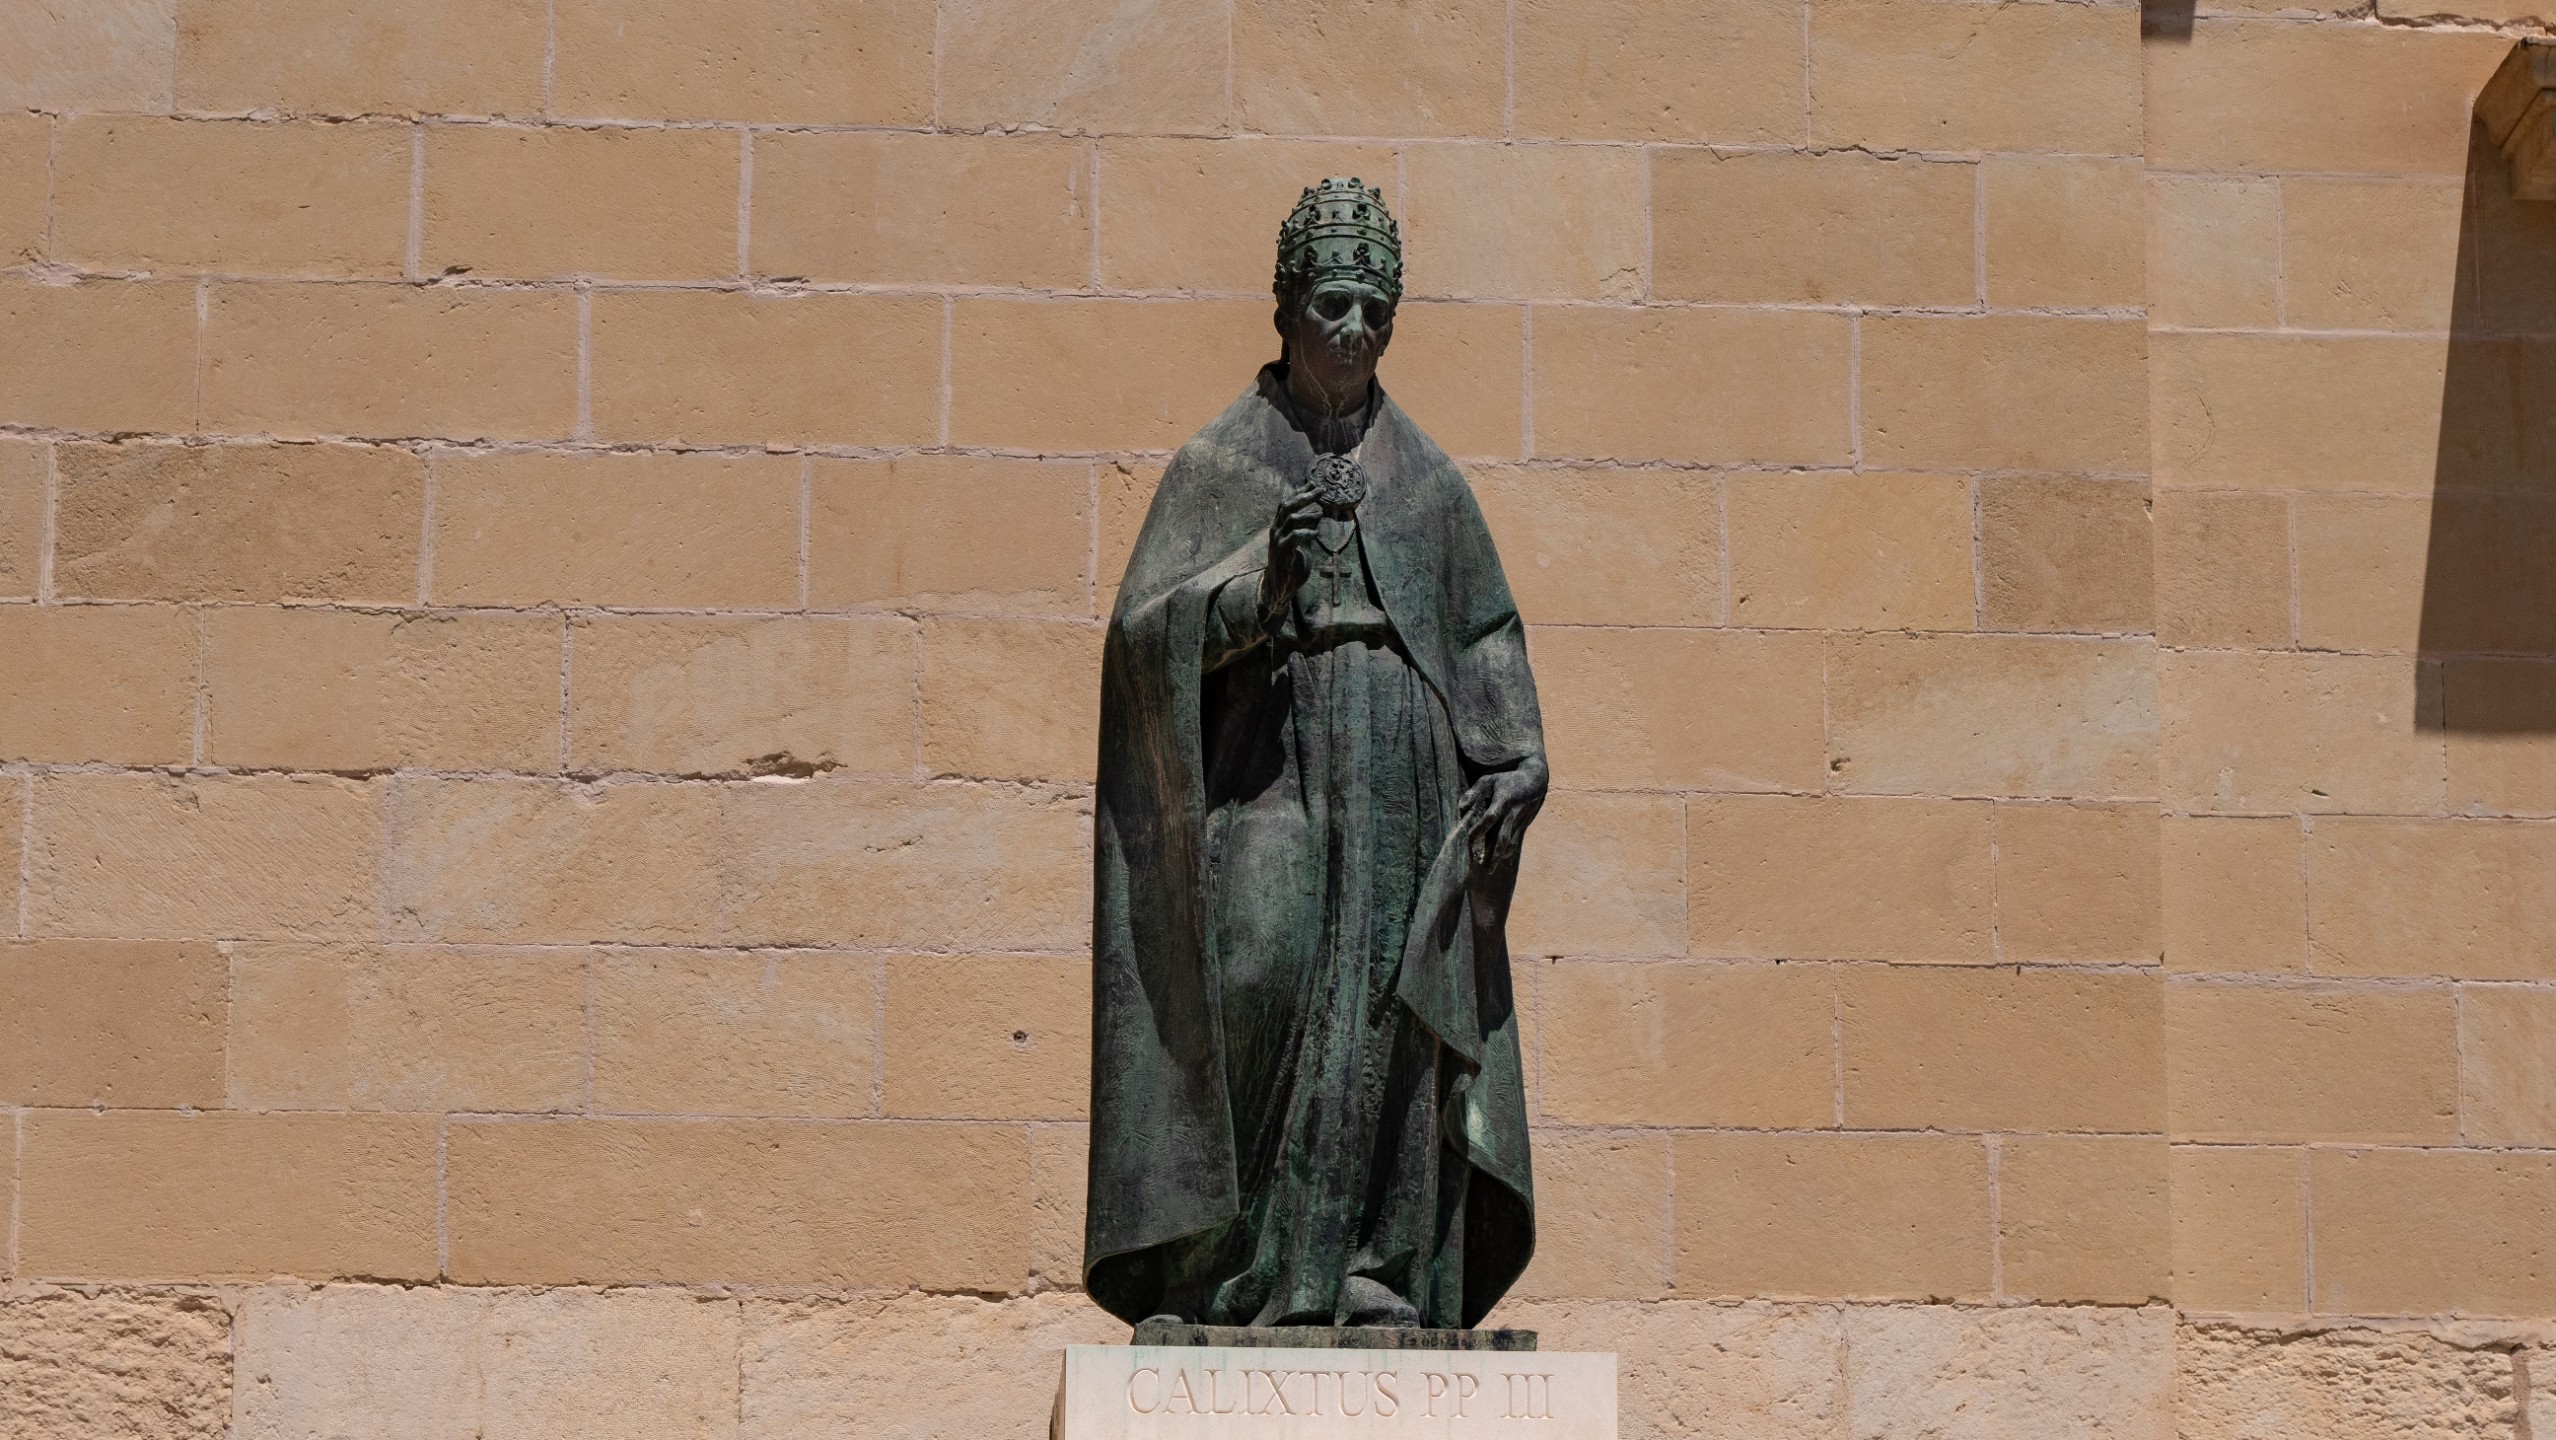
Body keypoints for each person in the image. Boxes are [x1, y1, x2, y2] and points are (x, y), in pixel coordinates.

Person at [1085, 178, 1548, 1331]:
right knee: (1259, 969)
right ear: (1287, 308)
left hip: (1403, 771)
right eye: (1334, 304)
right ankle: (1227, 1274)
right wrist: (1259, 591)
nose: (1354, 329)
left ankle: (1375, 1272)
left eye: (1374, 311)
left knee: (1392, 1009)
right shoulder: (1223, 465)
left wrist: (1516, 756)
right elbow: (1143, 636)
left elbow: (1483, 631)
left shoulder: (1426, 481)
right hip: (1270, 761)